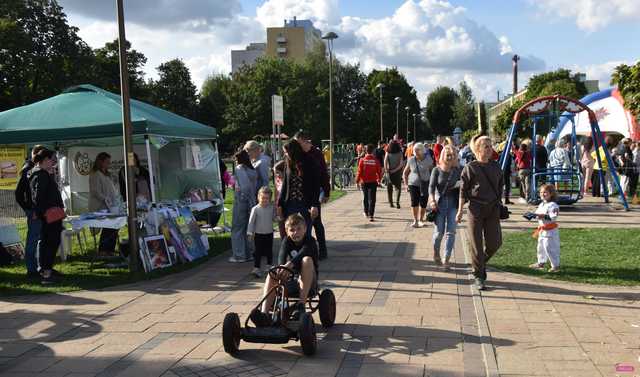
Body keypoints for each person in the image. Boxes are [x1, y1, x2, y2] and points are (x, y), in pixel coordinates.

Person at [250, 213, 319, 326]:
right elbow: (281, 258)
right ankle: (264, 314)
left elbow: (304, 252)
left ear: (305, 229)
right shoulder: (287, 241)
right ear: (287, 231)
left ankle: (301, 306)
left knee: (306, 260)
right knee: (273, 271)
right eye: (292, 230)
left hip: (309, 282)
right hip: (290, 281)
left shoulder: (310, 241)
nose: (295, 233)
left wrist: (289, 265)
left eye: (298, 229)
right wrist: (281, 269)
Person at [456, 135, 503, 290]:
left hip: (492, 209)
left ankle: (479, 263)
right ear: (477, 149)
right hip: (475, 209)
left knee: (495, 243)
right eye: (486, 146)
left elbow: (500, 186)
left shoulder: (496, 166)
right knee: (476, 244)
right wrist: (459, 211)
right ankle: (479, 276)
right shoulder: (470, 167)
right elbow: (463, 191)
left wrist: (500, 203)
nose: (490, 149)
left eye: (491, 146)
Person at [29, 149, 64, 285]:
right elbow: (39, 196)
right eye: (51, 159)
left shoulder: (41, 174)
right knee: (50, 242)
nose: (53, 161)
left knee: (49, 242)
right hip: (49, 214)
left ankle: (47, 270)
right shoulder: (41, 175)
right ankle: (46, 273)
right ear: (44, 160)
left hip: (50, 213)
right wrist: (40, 212)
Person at [294, 130, 330, 260]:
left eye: (298, 143)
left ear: (304, 140)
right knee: (302, 222)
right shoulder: (297, 153)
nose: (296, 145)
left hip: (314, 192)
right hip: (300, 194)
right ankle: (304, 250)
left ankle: (322, 249)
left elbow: (324, 174)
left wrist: (326, 191)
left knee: (316, 222)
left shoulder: (316, 154)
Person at [14, 145, 46, 278]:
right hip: (33, 210)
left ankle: (39, 267)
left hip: (38, 210)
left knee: (39, 239)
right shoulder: (28, 169)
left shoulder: (35, 168)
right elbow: (18, 193)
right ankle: (31, 269)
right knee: (33, 239)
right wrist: (28, 208)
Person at [277, 140, 320, 237]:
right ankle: (291, 252)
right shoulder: (288, 163)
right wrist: (279, 203)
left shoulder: (310, 161)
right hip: (290, 203)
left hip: (305, 203)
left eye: (286, 152)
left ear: (293, 151)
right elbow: (285, 185)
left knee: (305, 232)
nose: (285, 155)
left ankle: (305, 251)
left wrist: (314, 204)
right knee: (291, 231)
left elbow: (315, 185)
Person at [428, 145, 462, 270]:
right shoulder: (436, 170)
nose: (450, 157)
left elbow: (466, 183)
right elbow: (431, 187)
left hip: (453, 204)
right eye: (447, 155)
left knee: (451, 232)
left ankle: (446, 259)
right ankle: (436, 252)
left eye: (452, 155)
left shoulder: (458, 170)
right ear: (442, 155)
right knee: (438, 233)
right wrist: (431, 200)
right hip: (439, 204)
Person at [89, 152, 120, 255]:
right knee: (108, 228)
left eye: (109, 162)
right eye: (107, 162)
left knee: (113, 226)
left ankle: (110, 249)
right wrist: (106, 199)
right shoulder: (95, 174)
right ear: (100, 162)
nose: (108, 164)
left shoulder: (106, 174)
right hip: (100, 206)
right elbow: (95, 191)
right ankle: (103, 250)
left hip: (109, 206)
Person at [230, 149, 257, 263]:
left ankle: (239, 255)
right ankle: (249, 253)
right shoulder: (251, 169)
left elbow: (245, 187)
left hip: (242, 202)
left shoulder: (240, 168)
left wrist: (242, 198)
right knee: (247, 228)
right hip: (251, 201)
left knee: (237, 228)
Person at [527, 184, 560, 273]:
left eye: (545, 192)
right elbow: (538, 215)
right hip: (542, 230)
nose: (542, 194)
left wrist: (539, 215)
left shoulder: (553, 205)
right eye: (541, 192)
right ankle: (540, 263)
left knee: (550, 248)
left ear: (551, 194)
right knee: (540, 248)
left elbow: (552, 217)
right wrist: (531, 215)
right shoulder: (541, 204)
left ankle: (555, 266)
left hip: (550, 231)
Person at [403, 142, 434, 228]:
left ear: (422, 151)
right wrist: (406, 185)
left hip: (425, 183)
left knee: (423, 202)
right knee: (414, 202)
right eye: (414, 151)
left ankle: (421, 220)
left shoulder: (428, 159)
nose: (416, 153)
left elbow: (433, 171)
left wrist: (433, 183)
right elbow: (405, 173)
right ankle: (415, 220)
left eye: (417, 151)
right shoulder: (411, 160)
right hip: (413, 184)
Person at [247, 186, 276, 278]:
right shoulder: (255, 209)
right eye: (262, 198)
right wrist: (249, 232)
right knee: (258, 251)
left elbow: (273, 218)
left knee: (269, 250)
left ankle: (269, 265)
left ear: (270, 199)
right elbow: (251, 222)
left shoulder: (271, 208)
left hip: (269, 233)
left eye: (267, 198)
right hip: (259, 234)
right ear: (258, 197)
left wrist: (278, 218)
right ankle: (256, 268)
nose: (264, 200)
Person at [356, 144, 382, 222]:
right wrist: (379, 179)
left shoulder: (362, 160)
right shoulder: (375, 160)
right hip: (373, 182)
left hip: (364, 182)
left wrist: (357, 181)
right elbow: (379, 171)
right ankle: (371, 215)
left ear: (365, 151)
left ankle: (366, 212)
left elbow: (359, 172)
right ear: (373, 151)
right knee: (372, 198)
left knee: (365, 197)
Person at [385, 140, 405, 209]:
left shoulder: (388, 152)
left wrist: (386, 169)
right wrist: (395, 170)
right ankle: (397, 202)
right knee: (398, 188)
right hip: (397, 172)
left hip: (389, 172)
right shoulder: (400, 153)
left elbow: (385, 161)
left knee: (389, 188)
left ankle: (391, 203)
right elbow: (401, 164)